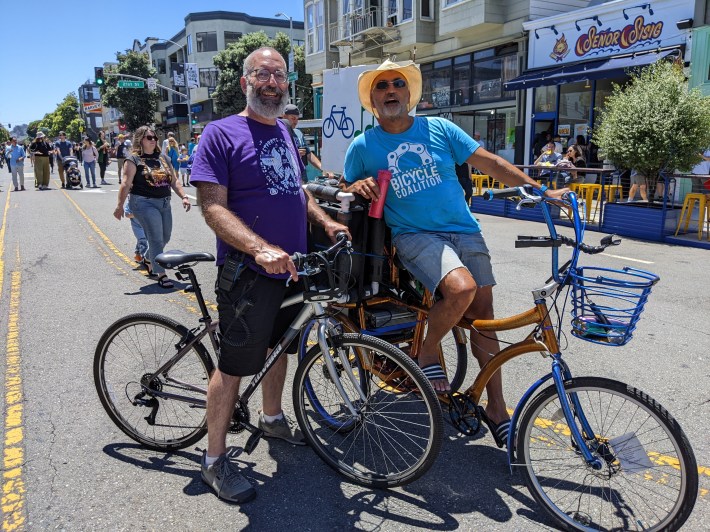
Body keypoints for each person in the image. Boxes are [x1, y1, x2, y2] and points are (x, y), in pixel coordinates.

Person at [342, 59, 565, 449]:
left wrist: (542, 192)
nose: (391, 90)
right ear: (373, 102)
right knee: (460, 289)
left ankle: (497, 408)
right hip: (414, 236)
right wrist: (357, 184)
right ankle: (427, 353)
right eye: (382, 87)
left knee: (483, 318)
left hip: (465, 231)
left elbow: (490, 163)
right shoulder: (364, 145)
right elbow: (346, 186)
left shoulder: (440, 128)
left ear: (409, 95)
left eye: (397, 84)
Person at [189, 46, 349, 504]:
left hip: (291, 265)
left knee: (280, 346)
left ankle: (272, 418)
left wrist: (324, 221)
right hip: (248, 269)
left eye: (279, 76)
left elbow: (294, 190)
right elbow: (212, 207)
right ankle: (214, 461)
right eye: (263, 75)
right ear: (246, 82)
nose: (273, 83)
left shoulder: (283, 131)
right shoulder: (219, 134)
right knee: (235, 364)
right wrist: (259, 247)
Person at [112, 126, 191, 288]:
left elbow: (174, 181)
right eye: (149, 137)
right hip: (143, 202)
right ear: (140, 140)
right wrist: (119, 206)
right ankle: (160, 274)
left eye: (154, 137)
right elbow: (126, 183)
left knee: (165, 237)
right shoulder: (133, 160)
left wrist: (184, 196)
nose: (153, 140)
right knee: (155, 238)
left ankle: (148, 258)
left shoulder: (163, 158)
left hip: (164, 202)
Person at [282, 104, 332, 179]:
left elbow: (309, 154)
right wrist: (294, 154)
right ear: (284, 117)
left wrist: (323, 168)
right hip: (288, 176)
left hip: (302, 175)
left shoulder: (298, 133)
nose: (295, 122)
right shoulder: (279, 134)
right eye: (293, 118)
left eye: (297, 119)